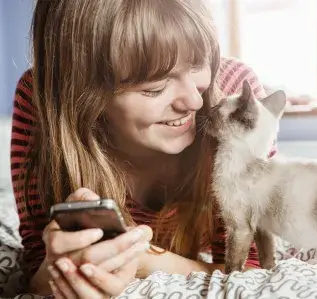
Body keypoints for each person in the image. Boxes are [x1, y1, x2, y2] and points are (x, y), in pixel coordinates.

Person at [11, 1, 276, 298]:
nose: (194, 102)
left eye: (199, 63)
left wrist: (144, 261)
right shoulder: (39, 100)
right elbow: (35, 268)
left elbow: (258, 270)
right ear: (83, 92)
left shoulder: (236, 96)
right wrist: (66, 268)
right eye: (155, 87)